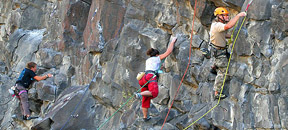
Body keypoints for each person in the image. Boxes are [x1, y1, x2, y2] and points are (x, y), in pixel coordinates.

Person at [134, 36, 177, 122]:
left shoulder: (148, 60)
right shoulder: (157, 58)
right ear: (157, 55)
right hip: (150, 77)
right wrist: (172, 41)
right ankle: (139, 94)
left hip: (143, 78)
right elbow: (168, 52)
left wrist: (160, 67)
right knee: (153, 93)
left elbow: (155, 67)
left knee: (146, 99)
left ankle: (145, 117)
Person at [210, 7, 246, 99]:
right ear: (219, 16)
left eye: (227, 15)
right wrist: (238, 16)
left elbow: (222, 34)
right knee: (223, 71)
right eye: (224, 15)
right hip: (219, 51)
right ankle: (217, 93)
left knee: (219, 61)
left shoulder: (215, 24)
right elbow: (228, 26)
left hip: (216, 49)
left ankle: (214, 67)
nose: (227, 17)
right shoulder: (218, 25)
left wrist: (231, 35)